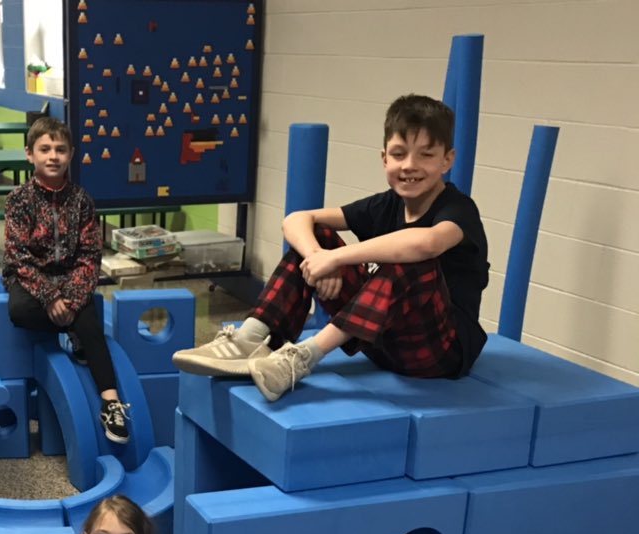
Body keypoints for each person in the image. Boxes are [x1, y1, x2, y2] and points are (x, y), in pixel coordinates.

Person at [173, 94, 489, 402]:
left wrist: (335, 258)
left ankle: (302, 358)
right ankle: (254, 338)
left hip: (438, 352)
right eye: (399, 153)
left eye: (426, 155)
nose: (410, 165)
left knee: (411, 260)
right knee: (316, 236)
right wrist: (317, 256)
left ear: (447, 160)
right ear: (384, 158)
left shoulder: (459, 209)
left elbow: (426, 243)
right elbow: (297, 219)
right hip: (382, 343)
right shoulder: (385, 204)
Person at [2, 115, 132, 445]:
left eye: (60, 149)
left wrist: (71, 301)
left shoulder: (81, 199)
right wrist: (49, 297)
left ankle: (111, 400)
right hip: (31, 278)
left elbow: (90, 256)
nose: (53, 156)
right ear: (29, 154)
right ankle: (73, 333)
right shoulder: (18, 200)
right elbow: (18, 256)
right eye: (44, 149)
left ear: (71, 154)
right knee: (19, 311)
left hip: (71, 276)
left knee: (90, 322)